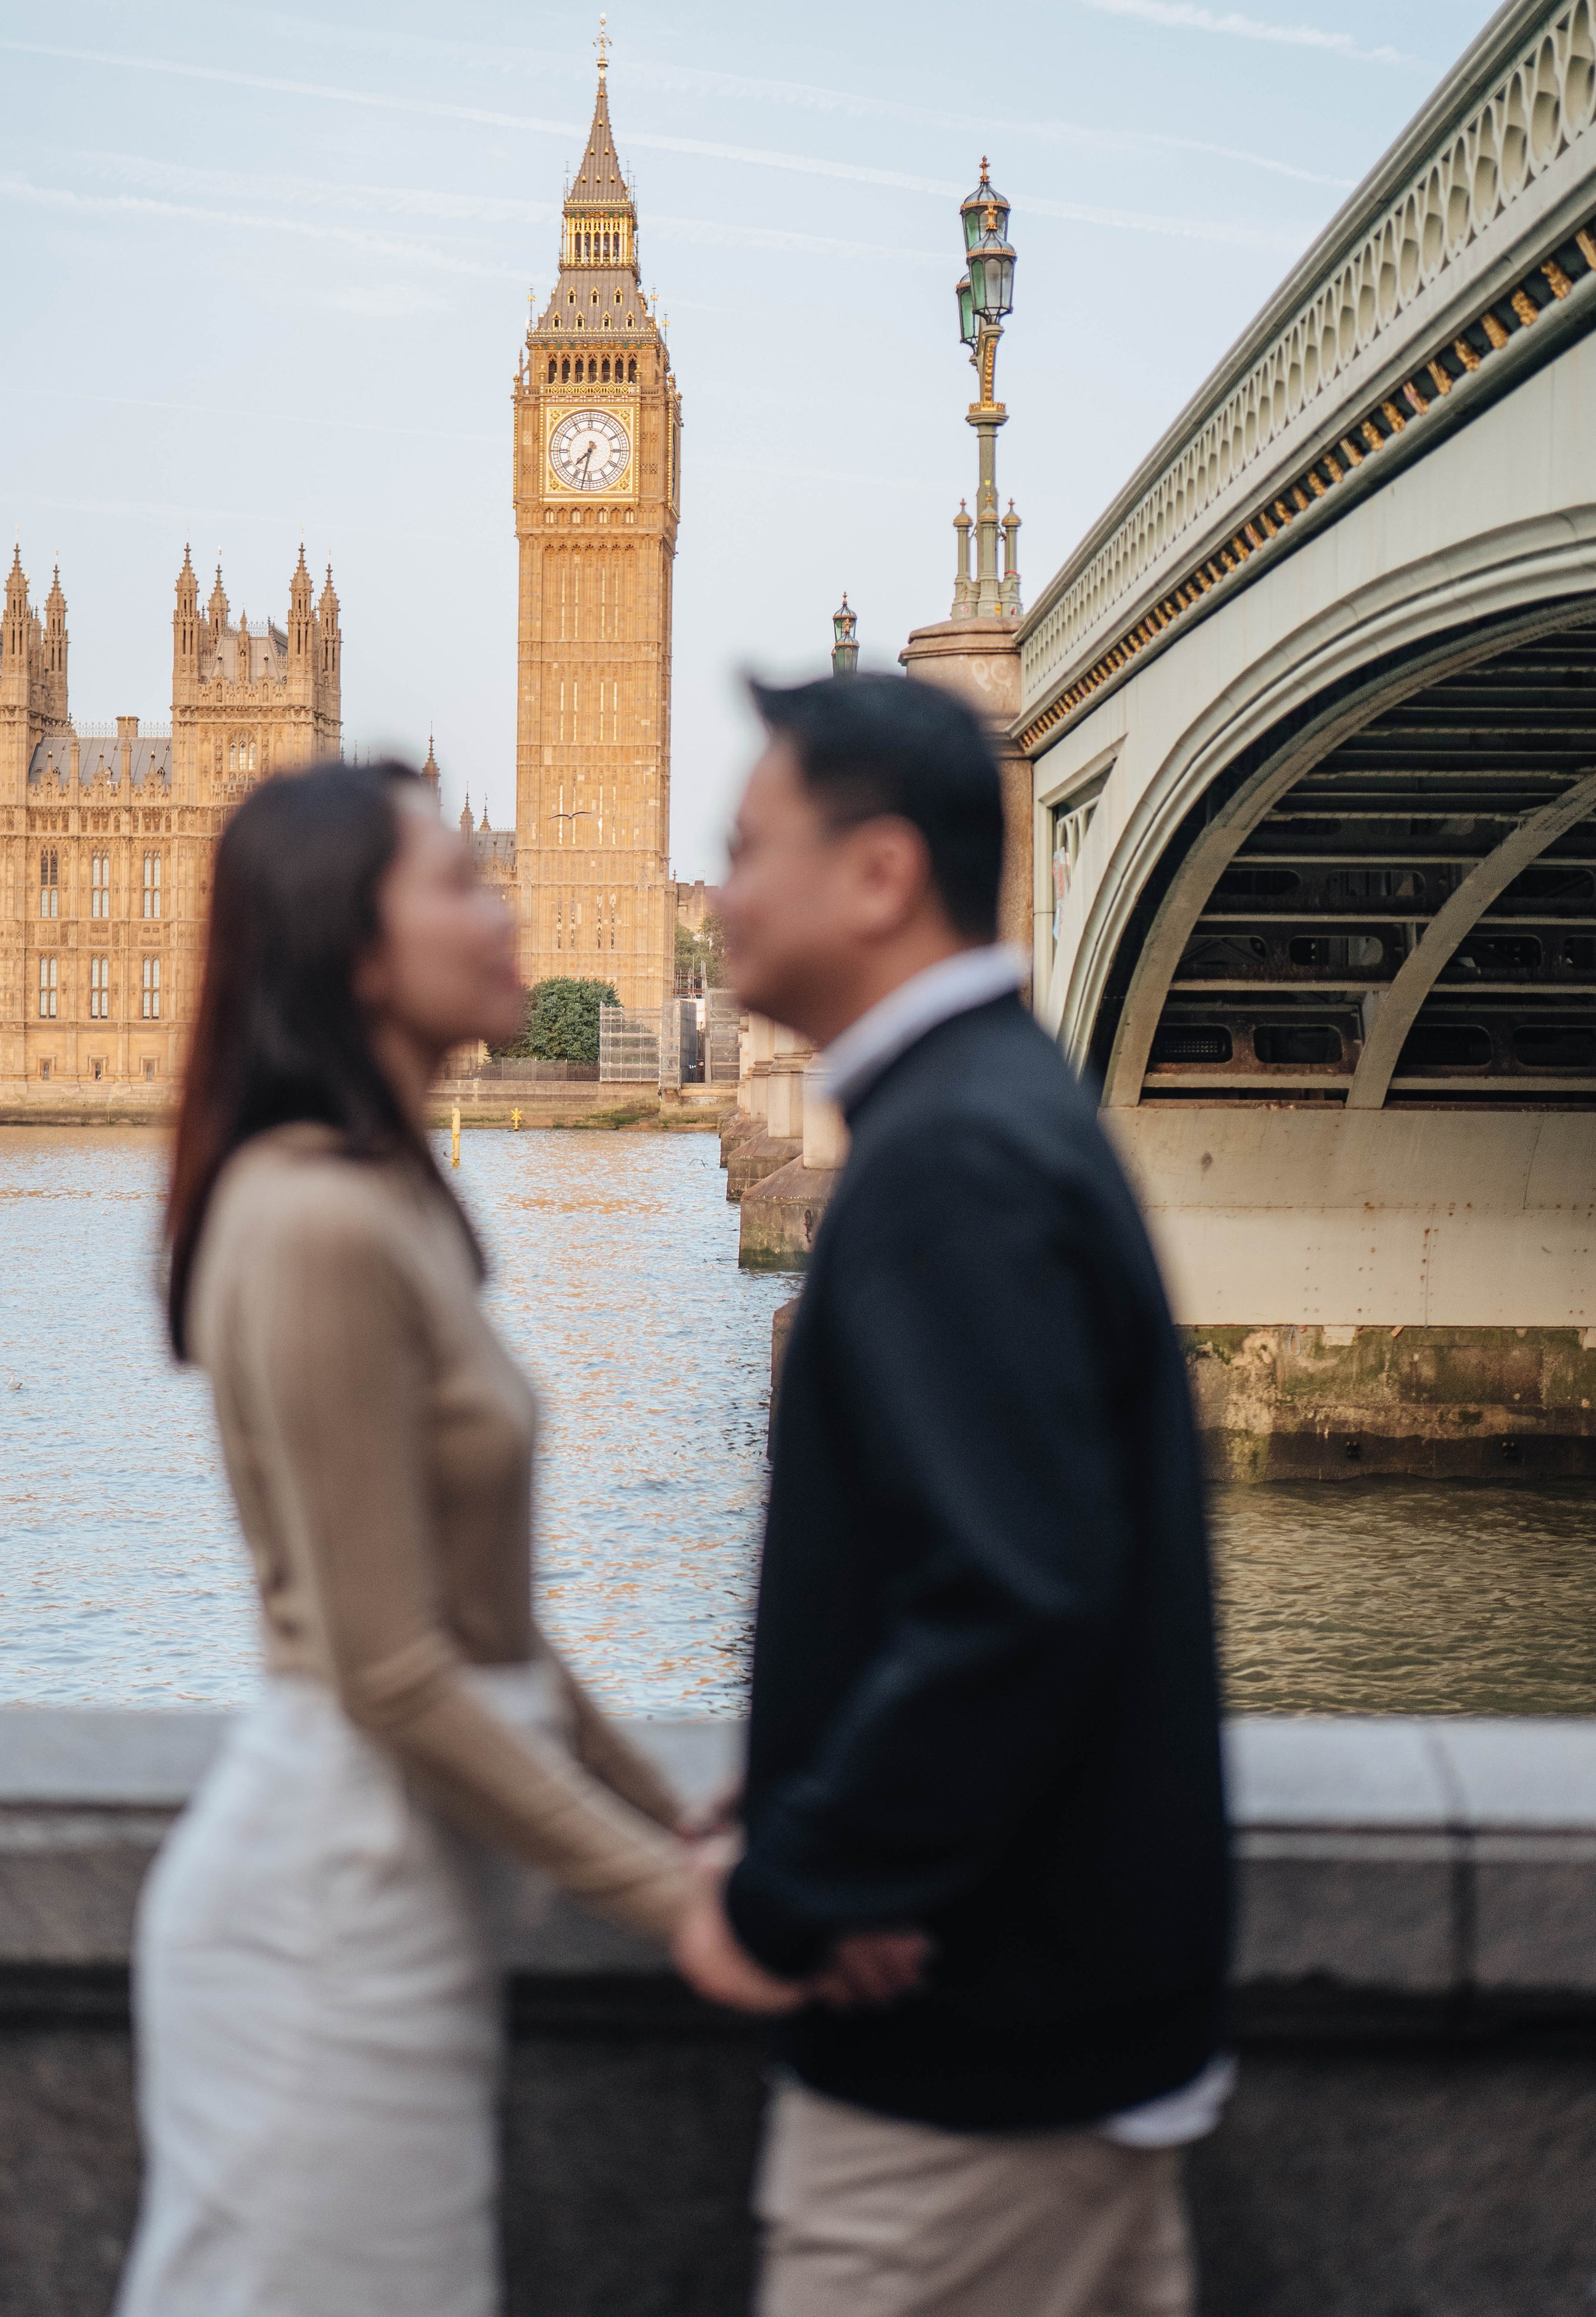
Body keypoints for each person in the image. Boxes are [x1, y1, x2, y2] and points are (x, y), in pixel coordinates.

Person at [674, 675, 1230, 2317]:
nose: (717, 896)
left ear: (878, 876)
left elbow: (1010, 1594)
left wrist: (794, 1894)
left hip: (965, 2081)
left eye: (747, 847)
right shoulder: (994, 1109)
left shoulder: (949, 1162)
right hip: (1058, 2036)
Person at [116, 761, 699, 2317]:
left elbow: (488, 1621)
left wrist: (680, 1817)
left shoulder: (387, 1202)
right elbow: (389, 1665)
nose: (507, 905)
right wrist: (674, 1904)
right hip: (327, 1915)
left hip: (401, 1901)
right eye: (459, 880)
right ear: (353, 948)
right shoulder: (311, 1220)